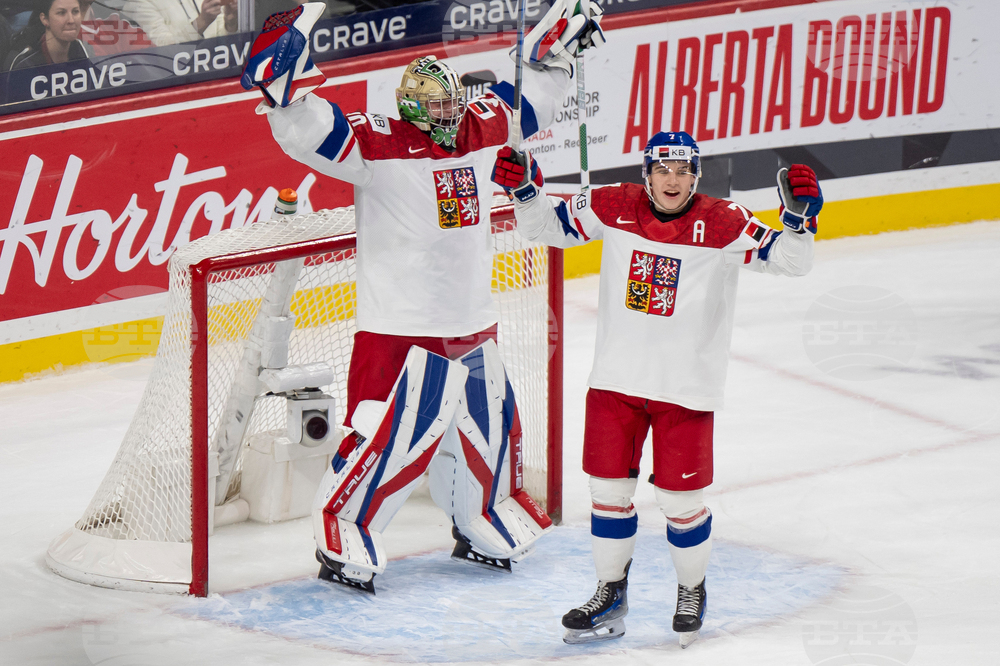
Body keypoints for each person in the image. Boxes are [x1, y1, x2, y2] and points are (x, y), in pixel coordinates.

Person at [240, 1, 605, 592]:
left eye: (453, 102)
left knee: (490, 429)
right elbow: (310, 130)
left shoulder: (476, 125)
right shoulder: (376, 144)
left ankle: (480, 516)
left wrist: (552, 56)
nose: (448, 114)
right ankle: (344, 525)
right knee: (388, 437)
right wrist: (285, 89)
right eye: (435, 106)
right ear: (410, 106)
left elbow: (526, 104)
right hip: (399, 327)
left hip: (473, 319)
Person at [492, 131, 822, 646]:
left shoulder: (724, 222)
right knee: (607, 496)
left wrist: (800, 222)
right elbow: (543, 230)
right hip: (615, 382)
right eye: (663, 170)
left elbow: (793, 262)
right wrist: (526, 191)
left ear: (696, 175)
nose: (673, 180)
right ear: (647, 172)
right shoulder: (611, 203)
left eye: (684, 171)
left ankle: (692, 588)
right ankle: (610, 592)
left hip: (684, 390)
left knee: (680, 500)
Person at [5, 0, 87, 70]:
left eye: (75, 12)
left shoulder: (79, 48)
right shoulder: (24, 62)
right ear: (44, 19)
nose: (71, 20)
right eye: (61, 13)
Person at [121, 0, 236, 46]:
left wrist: (231, 21)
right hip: (180, 80)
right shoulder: (139, 3)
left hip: (222, 66)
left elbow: (220, 33)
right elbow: (164, 48)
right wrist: (201, 22)